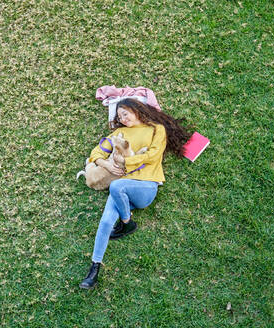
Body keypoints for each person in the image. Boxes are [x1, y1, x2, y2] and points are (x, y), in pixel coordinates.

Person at [79, 98, 191, 289]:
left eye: (126, 113)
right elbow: (95, 153)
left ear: (137, 110)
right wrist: (106, 164)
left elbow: (153, 155)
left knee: (116, 187)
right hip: (121, 187)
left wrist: (125, 163)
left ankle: (127, 223)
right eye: (120, 116)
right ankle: (94, 269)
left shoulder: (156, 129)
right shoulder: (118, 133)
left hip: (145, 187)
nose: (123, 118)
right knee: (105, 221)